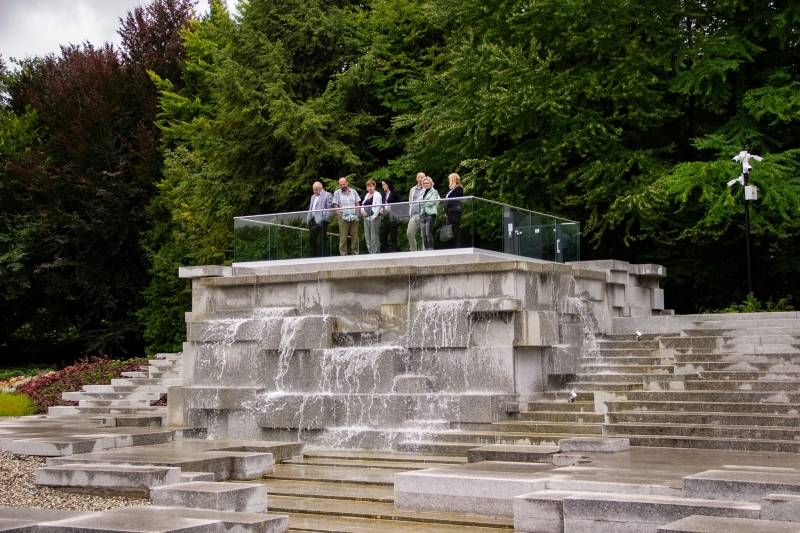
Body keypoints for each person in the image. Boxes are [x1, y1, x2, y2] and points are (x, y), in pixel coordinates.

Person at [332, 177, 362, 255]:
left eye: (344, 184)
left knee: (355, 236)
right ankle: (343, 254)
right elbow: (336, 205)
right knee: (343, 237)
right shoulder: (337, 193)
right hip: (343, 217)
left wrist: (357, 214)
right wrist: (340, 215)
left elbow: (357, 203)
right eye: (341, 185)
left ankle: (355, 253)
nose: (343, 186)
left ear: (347, 183)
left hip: (354, 217)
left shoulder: (353, 191)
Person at [307, 181, 333, 257]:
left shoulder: (327, 195)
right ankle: (313, 257)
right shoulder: (313, 196)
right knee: (312, 240)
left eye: (315, 189)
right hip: (312, 220)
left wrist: (325, 220)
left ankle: (322, 257)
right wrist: (308, 219)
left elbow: (329, 209)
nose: (314, 191)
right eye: (313, 189)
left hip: (322, 221)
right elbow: (311, 208)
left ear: (320, 188)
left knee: (322, 240)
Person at [361, 179, 383, 254]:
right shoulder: (367, 195)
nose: (369, 188)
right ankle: (370, 252)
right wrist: (362, 211)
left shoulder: (377, 194)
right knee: (367, 236)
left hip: (374, 218)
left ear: (374, 186)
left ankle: (375, 253)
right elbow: (362, 205)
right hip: (366, 218)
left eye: (371, 186)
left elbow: (378, 207)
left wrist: (373, 217)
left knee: (374, 236)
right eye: (368, 186)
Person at [442, 173, 464, 248]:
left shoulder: (459, 188)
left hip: (454, 211)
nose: (448, 180)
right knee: (451, 229)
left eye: (449, 179)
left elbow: (456, 200)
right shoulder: (452, 189)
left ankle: (458, 246)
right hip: (449, 211)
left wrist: (447, 205)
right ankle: (453, 246)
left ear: (452, 179)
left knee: (455, 228)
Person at [379, 179, 401, 252]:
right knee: (383, 233)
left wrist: (391, 207)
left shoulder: (394, 192)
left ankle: (395, 249)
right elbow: (383, 204)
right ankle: (385, 249)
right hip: (386, 216)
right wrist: (381, 209)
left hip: (393, 215)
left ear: (388, 184)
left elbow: (400, 203)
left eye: (383, 185)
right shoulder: (384, 194)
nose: (382, 186)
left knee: (393, 233)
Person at [406, 172, 426, 251]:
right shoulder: (412, 189)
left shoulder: (427, 188)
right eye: (421, 177)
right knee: (409, 233)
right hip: (414, 215)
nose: (422, 179)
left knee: (424, 234)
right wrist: (410, 211)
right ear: (417, 178)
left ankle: (425, 252)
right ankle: (414, 250)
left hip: (424, 214)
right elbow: (410, 201)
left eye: (424, 177)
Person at [419, 176, 440, 251]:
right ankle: (426, 249)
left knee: (428, 232)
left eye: (427, 183)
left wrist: (423, 202)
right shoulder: (422, 192)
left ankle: (430, 249)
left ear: (430, 183)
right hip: (422, 214)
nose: (426, 184)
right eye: (424, 183)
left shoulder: (434, 192)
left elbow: (431, 202)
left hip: (430, 214)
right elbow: (419, 202)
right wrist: (424, 202)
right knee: (423, 234)